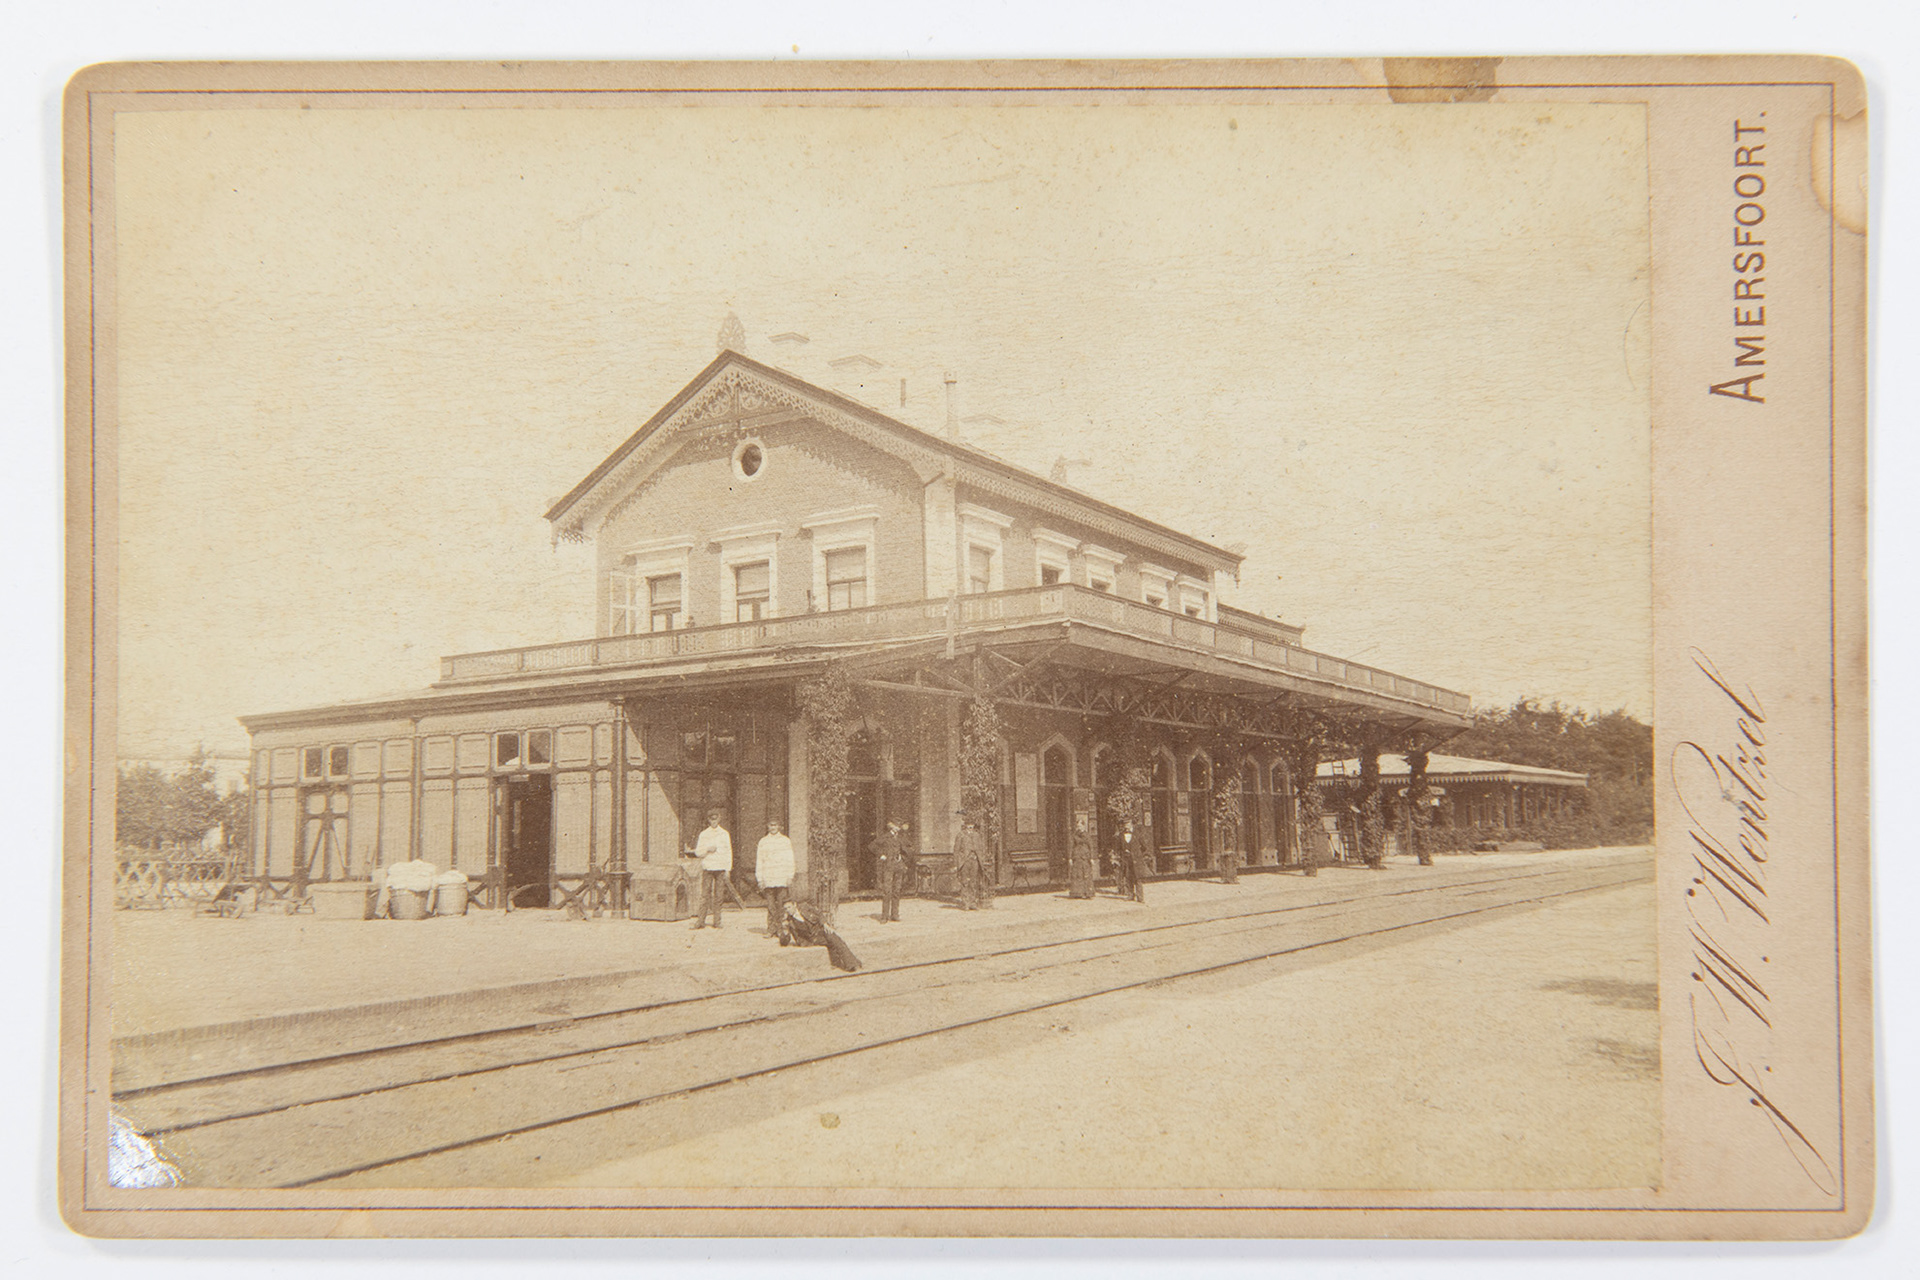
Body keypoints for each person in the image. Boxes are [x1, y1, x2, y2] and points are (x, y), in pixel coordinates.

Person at [754, 820, 795, 943]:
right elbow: (759, 861)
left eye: (775, 825)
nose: (773, 828)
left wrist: (790, 875)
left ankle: (780, 929)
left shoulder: (785, 841)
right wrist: (760, 879)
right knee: (771, 905)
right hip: (769, 877)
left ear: (779, 826)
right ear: (768, 826)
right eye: (771, 825)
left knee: (781, 905)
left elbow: (790, 859)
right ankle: (771, 929)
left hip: (781, 877)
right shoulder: (763, 842)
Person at [691, 809, 732, 930]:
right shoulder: (704, 834)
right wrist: (707, 849)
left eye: (716, 818)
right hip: (708, 867)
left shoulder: (724, 834)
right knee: (705, 895)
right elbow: (698, 852)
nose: (713, 821)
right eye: (711, 819)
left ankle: (717, 921)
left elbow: (729, 852)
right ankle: (701, 921)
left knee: (719, 895)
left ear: (719, 819)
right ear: (708, 820)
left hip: (720, 868)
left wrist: (728, 869)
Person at [871, 820, 911, 923]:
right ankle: (884, 916)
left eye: (899, 825)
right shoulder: (885, 837)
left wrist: (903, 858)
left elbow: (909, 848)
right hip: (888, 866)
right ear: (892, 827)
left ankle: (895, 914)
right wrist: (881, 855)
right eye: (897, 826)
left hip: (899, 866)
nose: (899, 827)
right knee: (887, 891)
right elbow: (872, 846)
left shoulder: (901, 838)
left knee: (897, 890)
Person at [953, 814, 990, 911]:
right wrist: (957, 864)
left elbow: (980, 849)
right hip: (965, 862)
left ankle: (973, 903)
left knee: (973, 882)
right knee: (965, 882)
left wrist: (981, 860)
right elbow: (956, 850)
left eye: (972, 825)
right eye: (968, 825)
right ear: (965, 825)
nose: (970, 826)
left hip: (975, 861)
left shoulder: (977, 835)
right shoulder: (961, 835)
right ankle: (965, 903)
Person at [1067, 814, 1096, 899]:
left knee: (1086, 874)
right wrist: (1070, 858)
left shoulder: (1087, 835)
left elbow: (1091, 846)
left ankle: (1087, 893)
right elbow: (1071, 846)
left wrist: (1092, 858)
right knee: (1077, 875)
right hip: (1077, 857)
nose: (1079, 827)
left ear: (1084, 826)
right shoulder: (1074, 835)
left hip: (1085, 857)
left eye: (1080, 825)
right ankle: (1077, 893)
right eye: (1077, 826)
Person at [1121, 820, 1147, 904]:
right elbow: (1118, 846)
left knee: (1138, 878)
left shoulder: (1137, 834)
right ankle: (1130, 895)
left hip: (1136, 859)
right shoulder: (1121, 835)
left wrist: (1137, 853)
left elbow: (1144, 846)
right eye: (1125, 824)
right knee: (1128, 876)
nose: (1126, 826)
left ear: (1131, 825)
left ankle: (1140, 897)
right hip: (1127, 859)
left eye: (1128, 824)